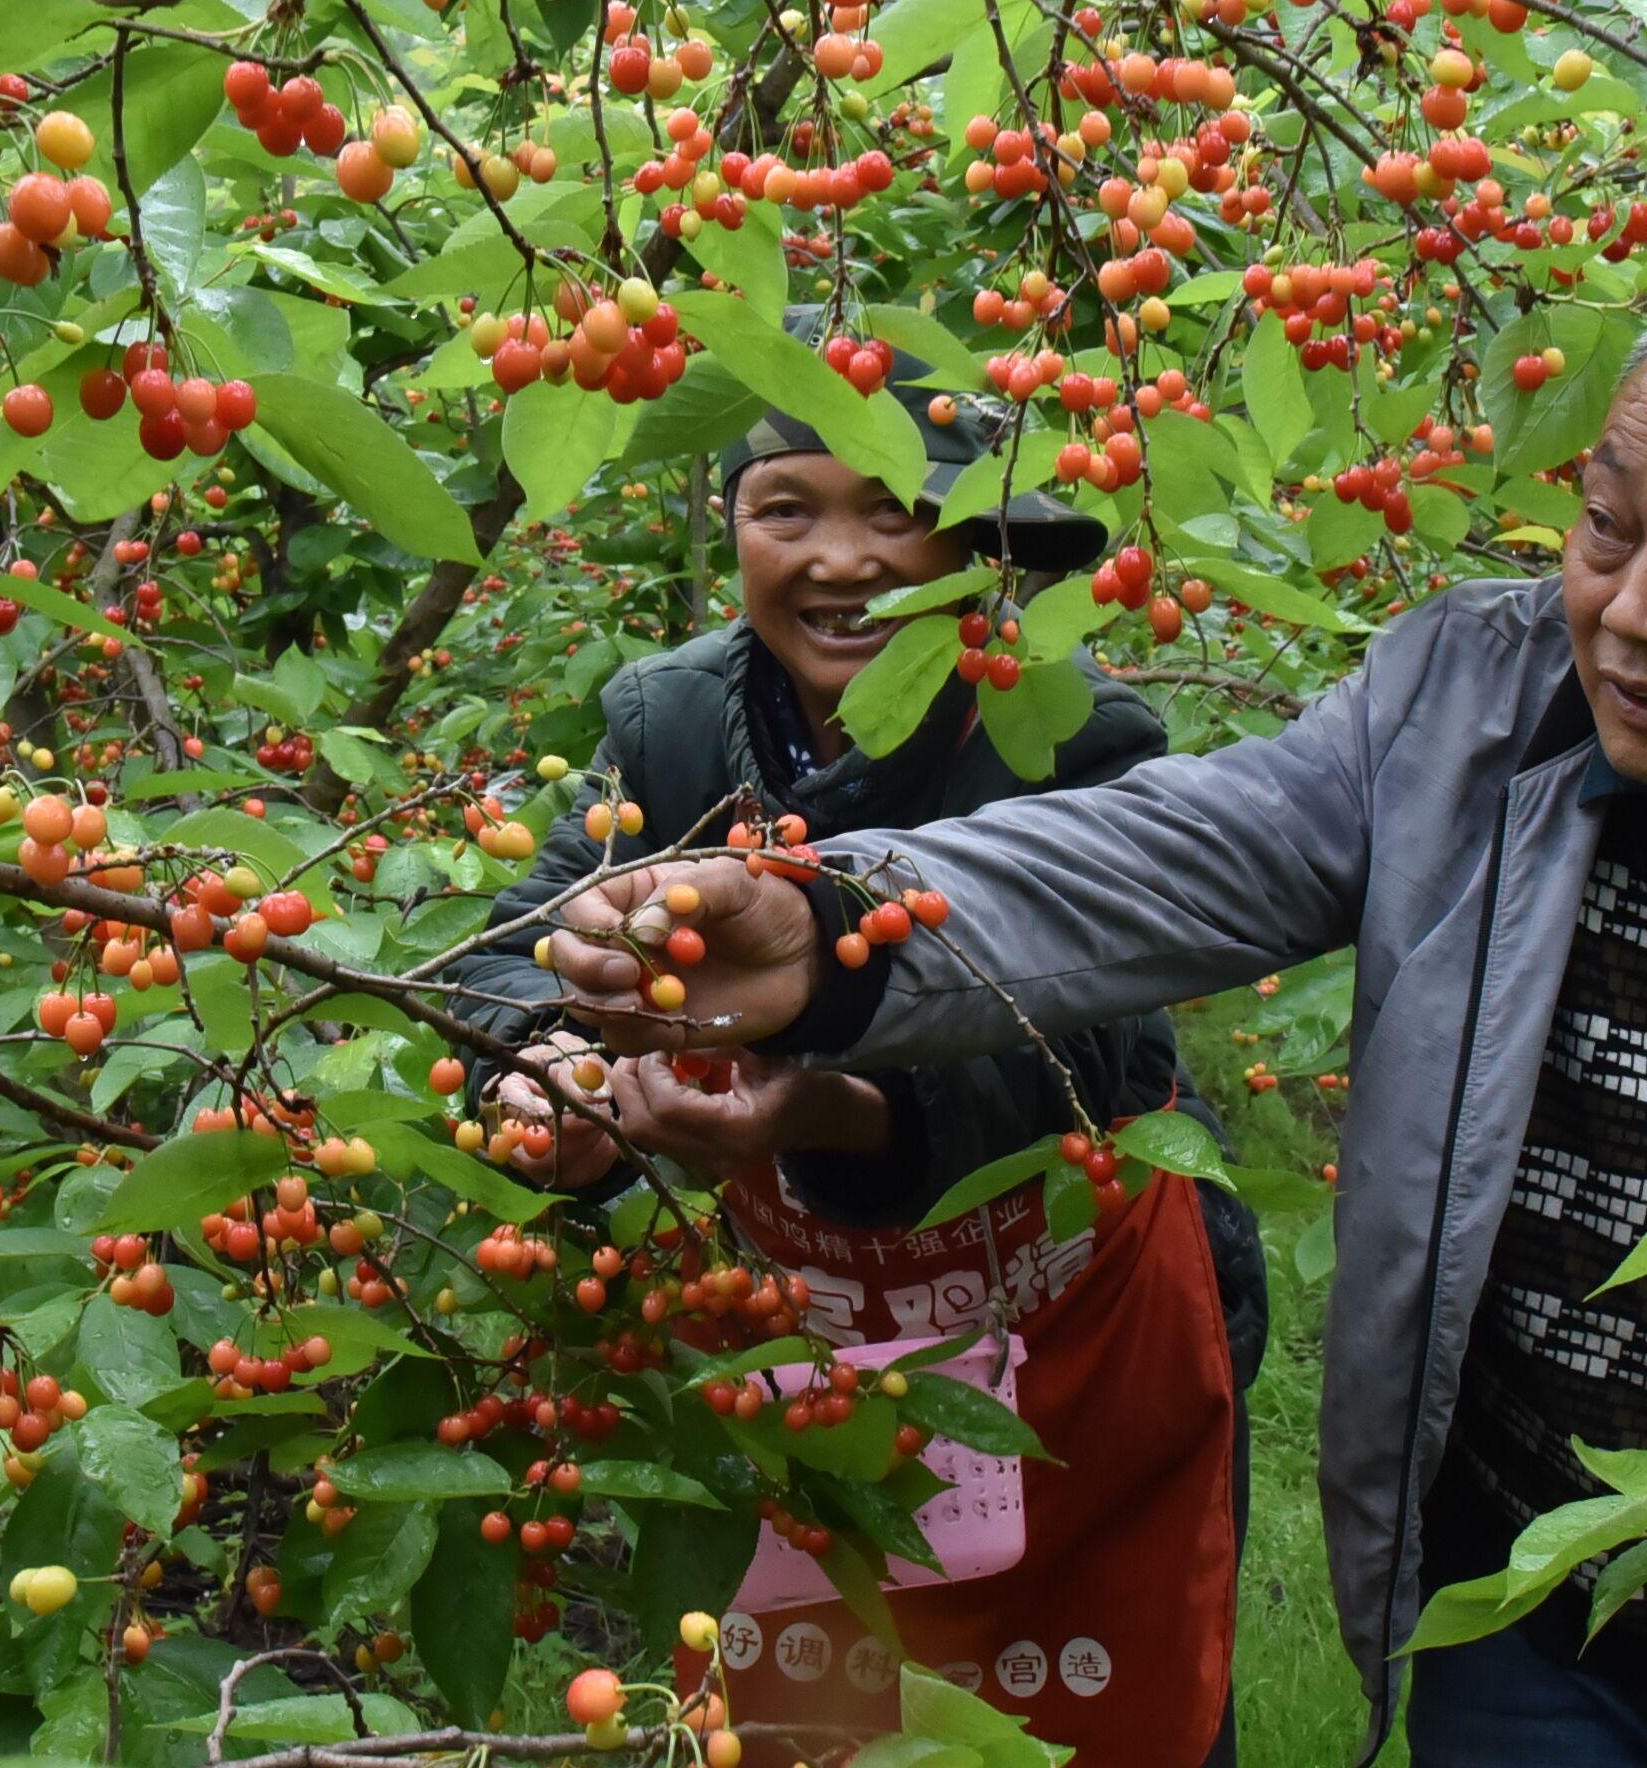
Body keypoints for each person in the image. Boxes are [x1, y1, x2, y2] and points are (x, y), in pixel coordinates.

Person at [541, 267, 1647, 1768]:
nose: (1627, 615)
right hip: (1531, 1626)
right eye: (1604, 531)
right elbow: (1176, 851)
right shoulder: (1469, 713)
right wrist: (833, 926)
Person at [451, 340, 1268, 1768]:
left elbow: (1095, 1070)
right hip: (820, 1321)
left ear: (972, 542)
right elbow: (518, 937)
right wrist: (533, 1063)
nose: (842, 560)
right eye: (786, 511)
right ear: (732, 533)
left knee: (1108, 1698)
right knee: (821, 1693)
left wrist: (816, 1109)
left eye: (892, 513)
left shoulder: (1058, 733)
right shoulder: (679, 727)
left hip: (1073, 1312)